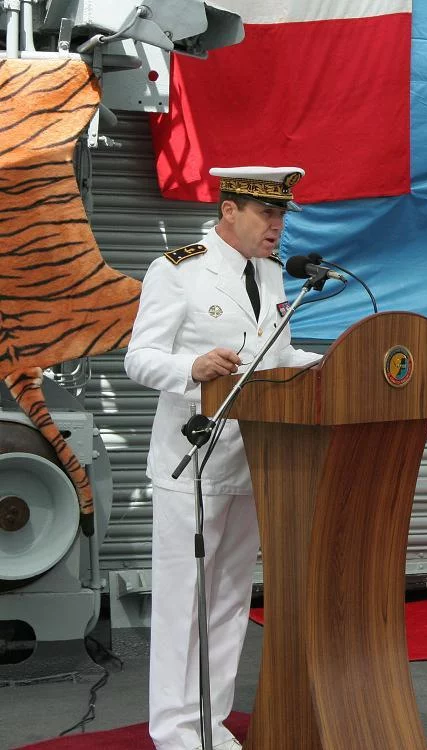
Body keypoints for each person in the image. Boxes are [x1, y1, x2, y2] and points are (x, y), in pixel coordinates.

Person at [125, 167, 322, 750]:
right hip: (194, 459)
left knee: (231, 600)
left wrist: (334, 367)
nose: (278, 227)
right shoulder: (178, 269)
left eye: (283, 216)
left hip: (253, 458)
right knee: (184, 600)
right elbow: (139, 359)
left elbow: (277, 354)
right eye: (268, 214)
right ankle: (173, 729)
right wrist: (190, 368)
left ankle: (211, 721)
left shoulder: (272, 273)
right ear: (230, 209)